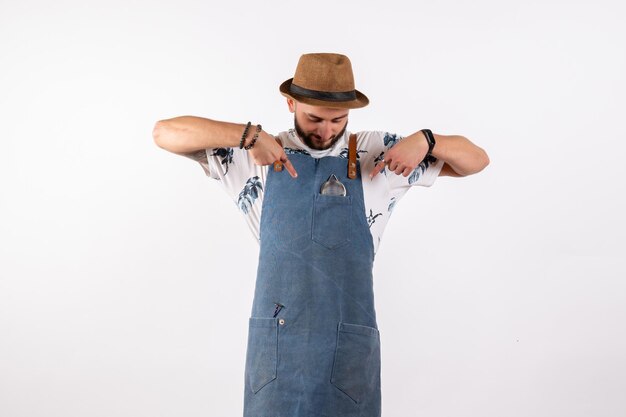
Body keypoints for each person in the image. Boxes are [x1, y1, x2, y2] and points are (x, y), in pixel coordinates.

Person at [153, 52, 489, 417]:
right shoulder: (254, 156)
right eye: (313, 118)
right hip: (278, 351)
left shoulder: (377, 152)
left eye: (337, 120)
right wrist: (249, 136)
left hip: (345, 350)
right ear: (290, 102)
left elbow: (476, 160)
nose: (326, 131)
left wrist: (426, 140)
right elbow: (165, 133)